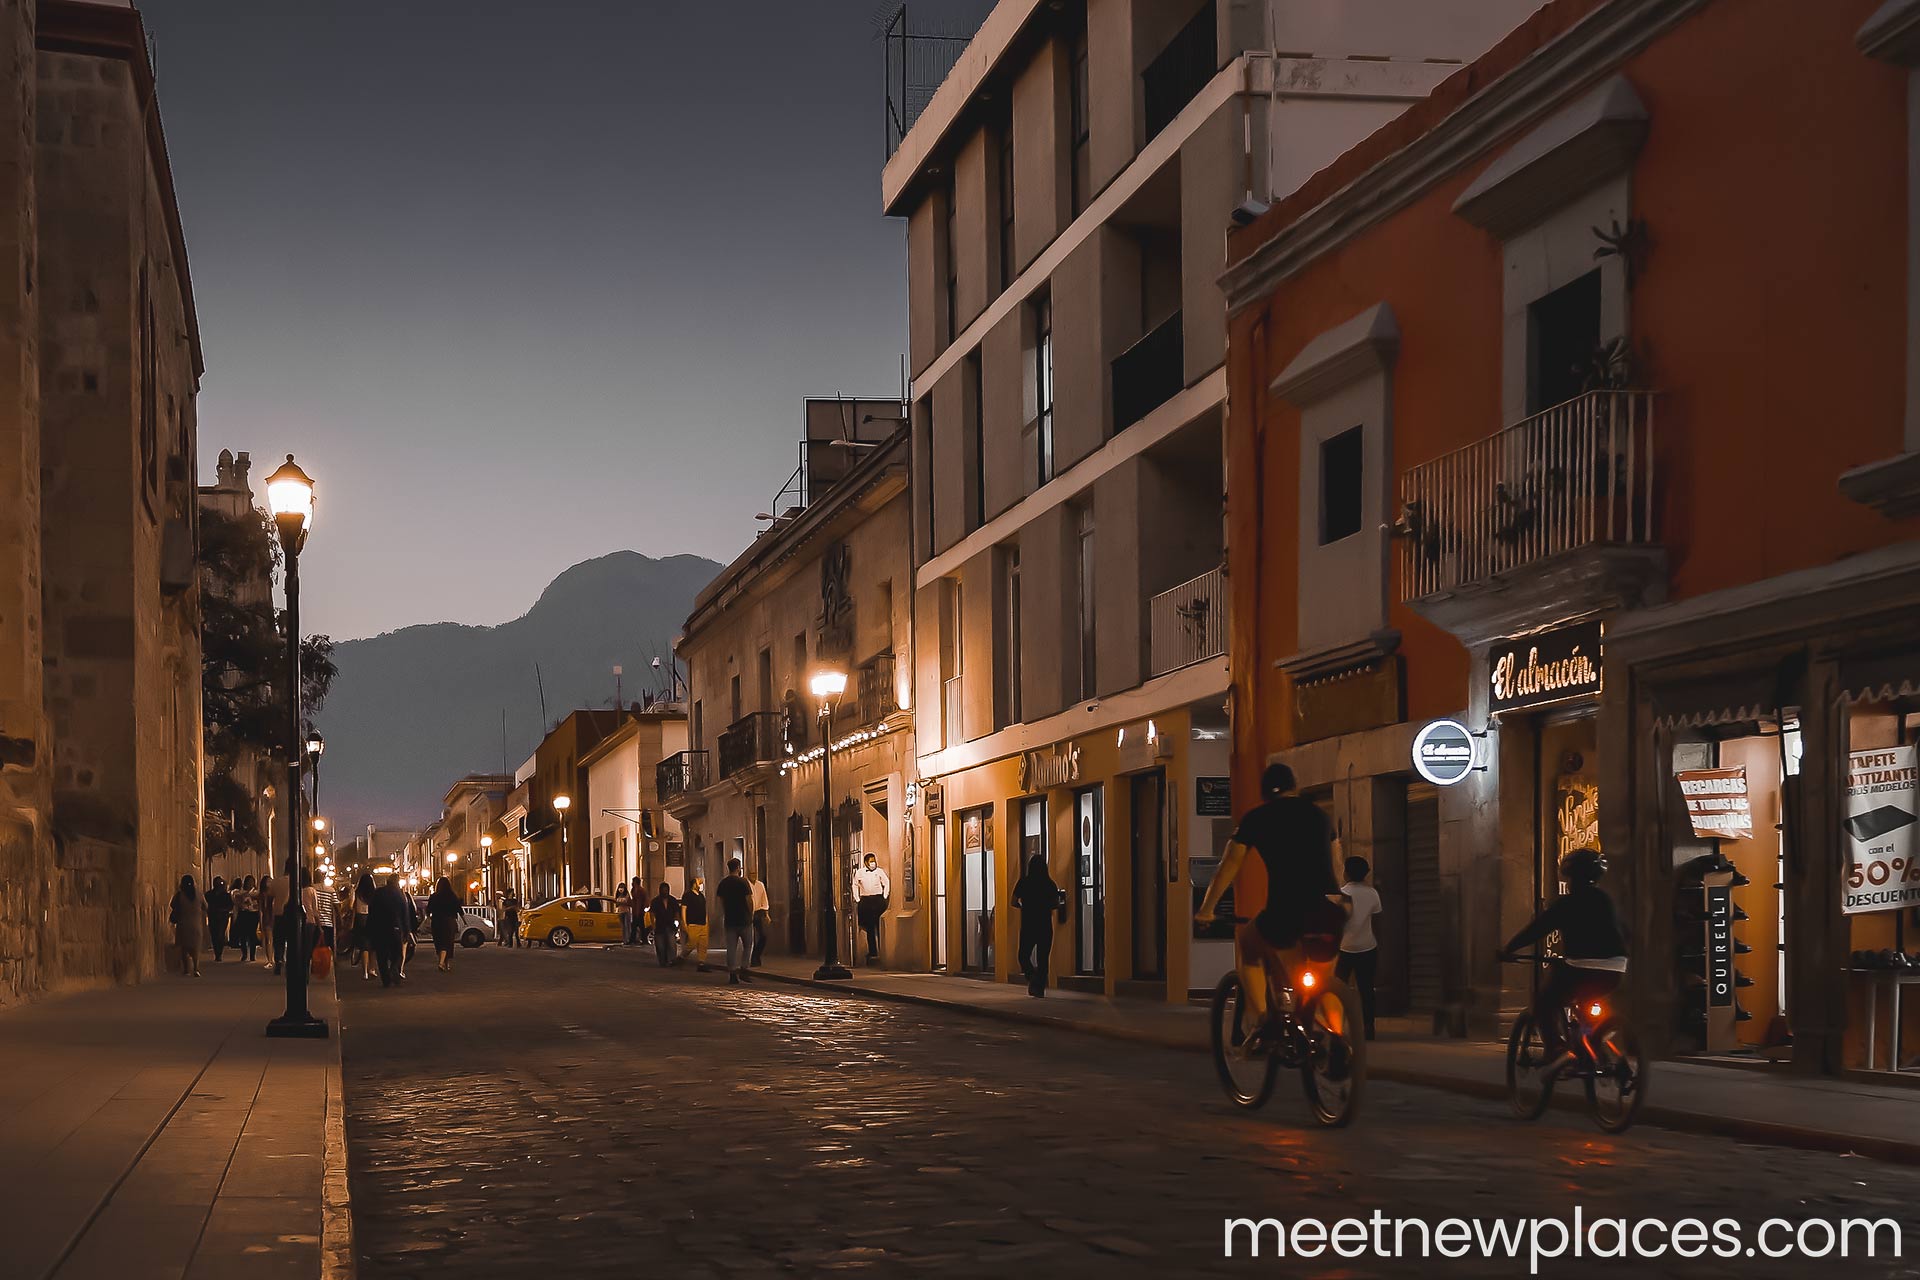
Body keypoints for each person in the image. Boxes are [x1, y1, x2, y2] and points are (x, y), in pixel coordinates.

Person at [1194, 763, 1343, 1029]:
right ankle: (1341, 1042)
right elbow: (1337, 863)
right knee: (1322, 983)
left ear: (1264, 793)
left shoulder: (1257, 818)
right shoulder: (1321, 815)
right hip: (1329, 908)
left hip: (1287, 909)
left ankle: (1263, 1020)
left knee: (1249, 942)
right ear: (1294, 788)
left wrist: (1207, 908)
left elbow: (1229, 866)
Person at [1499, 848, 1628, 1070]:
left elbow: (1536, 930)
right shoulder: (1606, 900)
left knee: (1544, 1002)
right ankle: (1596, 1045)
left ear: (1569, 876)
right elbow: (1625, 931)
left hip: (1580, 968)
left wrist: (1509, 949)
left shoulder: (1567, 903)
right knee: (1589, 1004)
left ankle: (1555, 1049)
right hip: (1615, 969)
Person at [1336, 856, 1382, 1041]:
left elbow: (1335, 923)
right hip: (1367, 946)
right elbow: (1377, 921)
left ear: (1346, 872)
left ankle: (1337, 1025)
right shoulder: (1372, 894)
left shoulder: (1340, 894)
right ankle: (1369, 1027)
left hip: (1343, 948)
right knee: (1366, 989)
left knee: (1339, 988)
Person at [1010, 854, 1065, 997]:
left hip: (1028, 925)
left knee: (1023, 955)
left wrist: (1023, 906)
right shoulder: (1050, 884)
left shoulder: (1024, 882)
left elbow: (1013, 901)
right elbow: (1055, 904)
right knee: (1043, 959)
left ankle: (1031, 976)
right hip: (1045, 926)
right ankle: (1039, 988)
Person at [716, 857, 754, 984]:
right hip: (744, 919)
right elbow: (749, 900)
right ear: (738, 868)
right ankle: (744, 969)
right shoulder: (743, 882)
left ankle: (732, 973)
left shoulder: (723, 883)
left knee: (731, 948)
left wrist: (725, 912)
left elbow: (720, 901)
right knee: (748, 946)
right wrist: (751, 914)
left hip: (730, 920)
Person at [369, 875, 411, 987]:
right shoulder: (400, 894)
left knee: (381, 956)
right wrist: (406, 929)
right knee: (397, 954)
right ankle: (393, 968)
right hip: (396, 927)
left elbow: (372, 911)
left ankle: (386, 980)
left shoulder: (378, 893)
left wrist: (370, 928)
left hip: (379, 928)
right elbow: (404, 913)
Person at [851, 852, 891, 963]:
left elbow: (886, 882)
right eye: (871, 861)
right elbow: (854, 885)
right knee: (869, 928)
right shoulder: (859, 873)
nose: (873, 863)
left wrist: (884, 896)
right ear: (866, 863)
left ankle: (882, 950)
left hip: (877, 900)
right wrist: (857, 899)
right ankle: (873, 951)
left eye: (874, 861)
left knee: (879, 926)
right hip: (866, 901)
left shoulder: (879, 872)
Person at [169, 874, 205, 978]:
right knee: (195, 948)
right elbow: (205, 906)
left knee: (184, 948)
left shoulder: (179, 895)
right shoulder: (199, 894)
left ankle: (186, 969)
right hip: (196, 925)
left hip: (183, 924)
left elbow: (172, 905)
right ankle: (196, 968)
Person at [427, 877, 465, 972]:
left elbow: (428, 910)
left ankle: (443, 962)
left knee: (439, 942)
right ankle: (443, 963)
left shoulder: (434, 896)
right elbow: (459, 909)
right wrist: (464, 921)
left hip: (436, 921)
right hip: (449, 921)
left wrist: (428, 918)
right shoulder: (452, 896)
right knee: (447, 943)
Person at [262, 872, 291, 973]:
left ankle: (278, 960)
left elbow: (269, 899)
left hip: (278, 914)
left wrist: (269, 913)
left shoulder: (276, 882)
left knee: (279, 940)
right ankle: (289, 963)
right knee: (291, 940)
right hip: (292, 915)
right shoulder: (297, 881)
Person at [680, 876, 710, 971]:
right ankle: (682, 957)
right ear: (694, 884)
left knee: (703, 944)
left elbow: (704, 909)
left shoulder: (701, 896)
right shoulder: (687, 895)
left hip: (703, 924)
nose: (700, 885)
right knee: (692, 943)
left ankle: (701, 963)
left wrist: (707, 921)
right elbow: (684, 909)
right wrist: (684, 922)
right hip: (693, 923)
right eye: (699, 883)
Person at [353, 873, 378, 980]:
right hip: (372, 918)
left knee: (364, 947)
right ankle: (372, 969)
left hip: (360, 918)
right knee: (373, 946)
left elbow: (351, 905)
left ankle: (365, 972)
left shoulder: (357, 893)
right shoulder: (375, 893)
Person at [649, 882, 680, 967]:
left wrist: (677, 922)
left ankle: (672, 960)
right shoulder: (655, 901)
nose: (665, 892)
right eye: (663, 890)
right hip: (659, 926)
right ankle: (662, 961)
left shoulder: (673, 900)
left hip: (670, 925)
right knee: (660, 946)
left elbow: (677, 912)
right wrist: (653, 925)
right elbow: (652, 913)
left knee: (671, 944)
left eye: (666, 890)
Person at [205, 877, 233, 964]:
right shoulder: (209, 894)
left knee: (220, 934)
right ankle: (217, 952)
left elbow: (230, 906)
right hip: (213, 917)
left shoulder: (226, 895)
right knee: (214, 934)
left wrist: (225, 910)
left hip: (222, 917)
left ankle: (219, 954)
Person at [232, 876, 260, 963]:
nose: (250, 884)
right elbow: (236, 904)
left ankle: (252, 955)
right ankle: (244, 954)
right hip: (243, 913)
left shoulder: (256, 893)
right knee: (243, 935)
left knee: (252, 934)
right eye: (248, 882)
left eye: (252, 882)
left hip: (253, 914)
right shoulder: (240, 893)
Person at [747, 869, 772, 967]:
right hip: (748, 913)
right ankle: (752, 959)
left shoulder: (760, 885)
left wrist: (766, 914)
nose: (754, 875)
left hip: (758, 912)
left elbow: (764, 899)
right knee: (751, 937)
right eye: (752, 873)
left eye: (755, 873)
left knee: (763, 936)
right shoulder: (746, 884)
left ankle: (756, 955)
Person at [614, 882, 634, 946]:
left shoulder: (627, 895)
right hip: (620, 912)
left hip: (626, 912)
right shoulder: (617, 895)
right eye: (620, 888)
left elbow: (630, 903)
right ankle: (624, 940)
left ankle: (628, 939)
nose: (621, 889)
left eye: (622, 888)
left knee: (627, 926)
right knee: (623, 927)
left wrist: (623, 903)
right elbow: (616, 904)